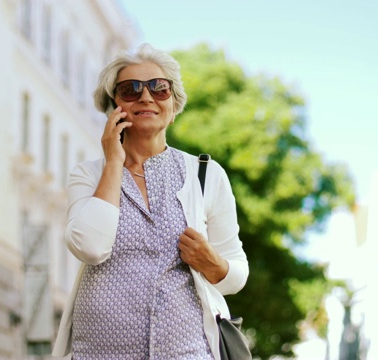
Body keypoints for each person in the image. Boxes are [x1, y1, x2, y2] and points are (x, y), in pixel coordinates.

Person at [52, 43, 249, 360]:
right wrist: (114, 163)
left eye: (159, 88)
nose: (146, 97)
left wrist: (211, 262)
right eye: (130, 89)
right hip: (98, 353)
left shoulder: (206, 175)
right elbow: (89, 247)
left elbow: (236, 275)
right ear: (113, 106)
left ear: (174, 106)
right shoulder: (88, 175)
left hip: (187, 352)